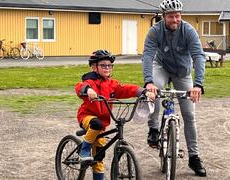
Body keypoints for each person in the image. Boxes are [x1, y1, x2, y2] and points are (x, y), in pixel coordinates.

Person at [142, 0, 207, 177]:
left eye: (178, 16)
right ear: (163, 17)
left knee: (189, 115)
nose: (175, 19)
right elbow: (147, 56)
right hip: (161, 67)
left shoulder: (189, 31)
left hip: (183, 73)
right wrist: (148, 81)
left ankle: (194, 157)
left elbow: (199, 57)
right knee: (153, 92)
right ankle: (154, 129)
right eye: (171, 16)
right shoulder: (155, 31)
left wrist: (198, 85)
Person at [75, 50, 155, 180]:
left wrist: (144, 92)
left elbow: (126, 89)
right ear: (94, 67)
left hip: (103, 124)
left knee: (99, 157)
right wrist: (88, 90)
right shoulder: (90, 81)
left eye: (109, 65)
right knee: (96, 123)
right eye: (103, 65)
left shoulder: (112, 84)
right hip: (87, 117)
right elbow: (80, 87)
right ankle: (84, 148)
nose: (107, 68)